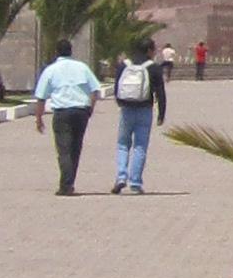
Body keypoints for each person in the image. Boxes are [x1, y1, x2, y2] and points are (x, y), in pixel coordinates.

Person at [30, 40, 102, 197]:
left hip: (62, 113)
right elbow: (95, 89)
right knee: (76, 148)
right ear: (71, 51)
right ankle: (69, 183)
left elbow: (41, 97)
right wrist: (90, 108)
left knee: (64, 150)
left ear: (57, 52)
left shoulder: (51, 70)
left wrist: (39, 118)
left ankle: (66, 185)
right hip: (81, 111)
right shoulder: (82, 67)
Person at [109, 34, 167, 196]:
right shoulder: (153, 67)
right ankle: (135, 182)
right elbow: (160, 93)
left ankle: (121, 177)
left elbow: (117, 88)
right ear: (149, 50)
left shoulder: (124, 65)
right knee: (140, 146)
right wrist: (161, 113)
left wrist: (120, 102)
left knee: (122, 144)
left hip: (126, 108)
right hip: (144, 110)